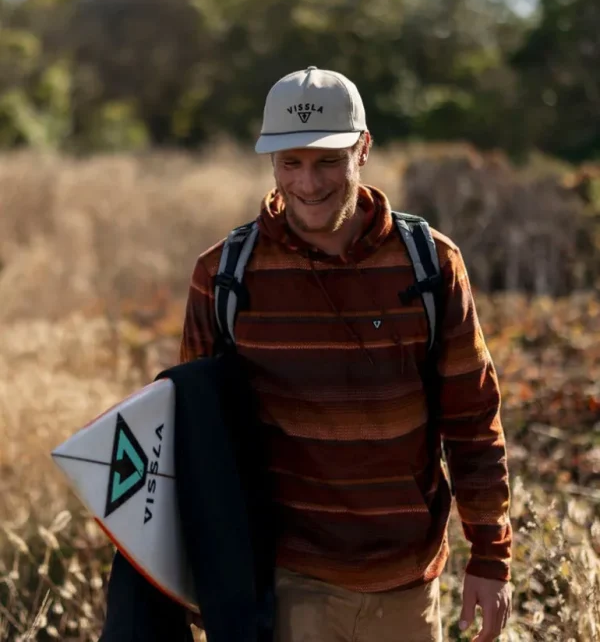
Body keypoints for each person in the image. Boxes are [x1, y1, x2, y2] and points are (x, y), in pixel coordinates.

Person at [180, 66, 512, 642]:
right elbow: (194, 439)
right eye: (291, 163)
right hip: (285, 583)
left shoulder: (430, 264)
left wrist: (490, 556)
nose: (308, 184)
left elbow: (472, 419)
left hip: (405, 582)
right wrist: (195, 578)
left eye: (328, 161)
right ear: (272, 164)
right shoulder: (224, 276)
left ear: (364, 149)